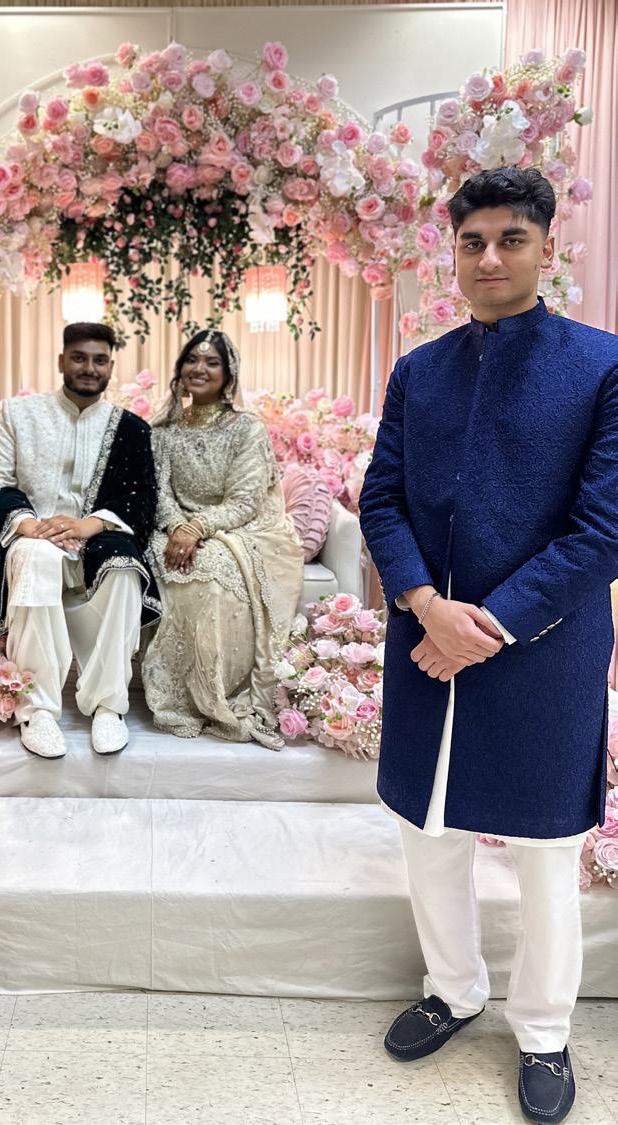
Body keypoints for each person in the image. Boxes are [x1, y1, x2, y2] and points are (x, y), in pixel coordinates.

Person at [360, 168, 618, 1125]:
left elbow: (603, 530)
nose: (489, 258)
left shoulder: (601, 364)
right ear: (453, 252)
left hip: (543, 653)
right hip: (426, 643)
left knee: (546, 854)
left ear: (547, 247)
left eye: (510, 239)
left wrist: (489, 625)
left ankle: (543, 1030)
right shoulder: (419, 370)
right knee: (429, 835)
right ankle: (453, 988)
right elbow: (380, 498)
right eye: (471, 242)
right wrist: (426, 605)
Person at [0, 322, 159, 759]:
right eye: (79, 358)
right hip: (34, 533)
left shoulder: (131, 429)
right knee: (37, 559)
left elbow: (142, 498)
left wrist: (91, 524)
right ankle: (37, 709)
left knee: (124, 568)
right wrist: (27, 524)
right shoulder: (20, 414)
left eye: (100, 360)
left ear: (111, 366)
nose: (89, 368)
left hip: (95, 537)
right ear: (61, 361)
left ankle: (109, 705)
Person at [141, 330, 304, 751]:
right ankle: (181, 697)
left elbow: (245, 501)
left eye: (212, 362)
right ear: (180, 369)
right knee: (172, 563)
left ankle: (217, 694)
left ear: (228, 374)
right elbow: (158, 494)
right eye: (192, 360)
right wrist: (177, 527)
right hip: (172, 530)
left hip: (239, 529)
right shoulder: (163, 431)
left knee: (211, 570)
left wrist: (198, 528)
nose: (200, 369)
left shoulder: (246, 428)